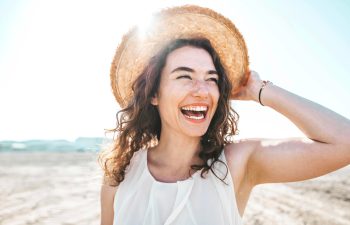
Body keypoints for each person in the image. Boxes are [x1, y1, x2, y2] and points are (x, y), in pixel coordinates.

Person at [99, 5, 350, 225]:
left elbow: (345, 142)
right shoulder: (120, 176)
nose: (202, 90)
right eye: (185, 76)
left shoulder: (237, 163)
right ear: (154, 94)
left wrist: (260, 90)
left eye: (212, 79)